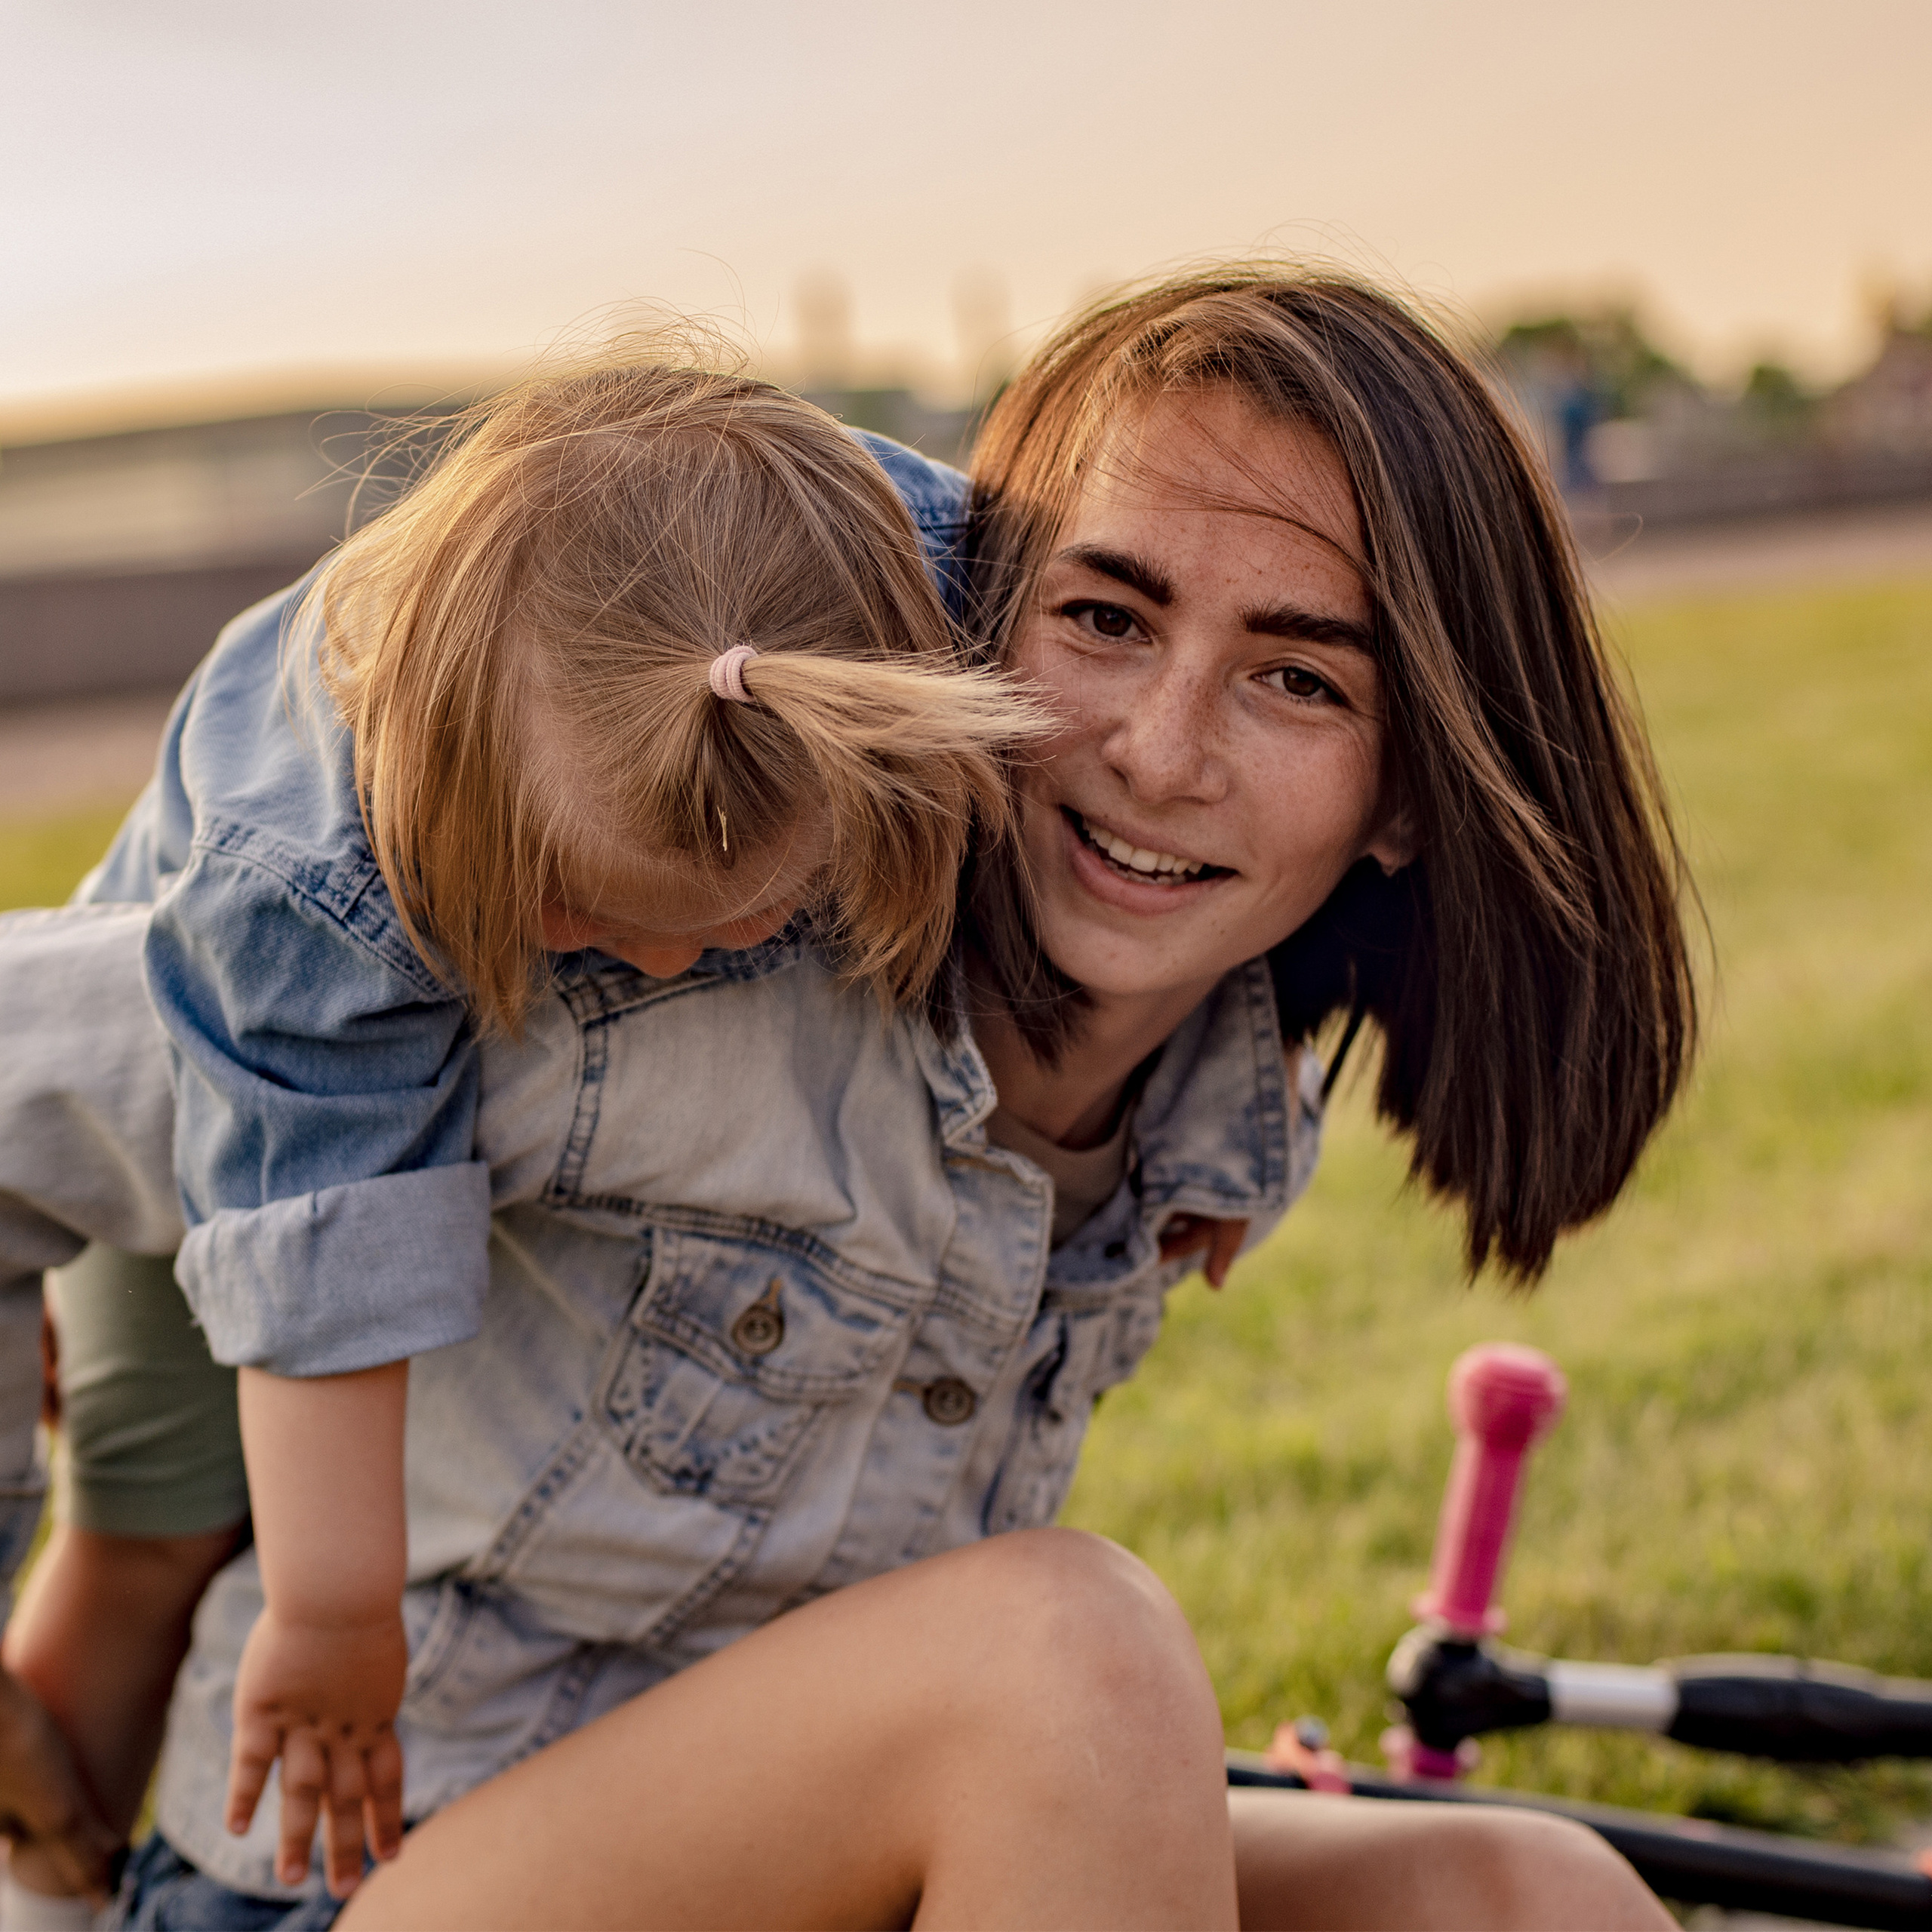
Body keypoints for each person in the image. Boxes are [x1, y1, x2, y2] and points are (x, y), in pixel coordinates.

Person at [2, 264, 1692, 1929]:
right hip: (384, 1859)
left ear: (1406, 795)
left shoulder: (1221, 1108)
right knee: (1061, 1660)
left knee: (1517, 1889)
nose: (1159, 750)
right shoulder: (619, 955)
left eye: (1299, 678)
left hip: (800, 1863)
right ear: (964, 617)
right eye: (1102, 619)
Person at [0, 354, 1040, 1912]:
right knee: (156, 1523)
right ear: (461, 799)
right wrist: (337, 1618)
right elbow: (319, 1248)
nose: (664, 966)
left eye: (732, 929)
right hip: (214, 1129)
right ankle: (43, 1880)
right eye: (578, 911)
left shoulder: (876, 590)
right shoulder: (318, 876)